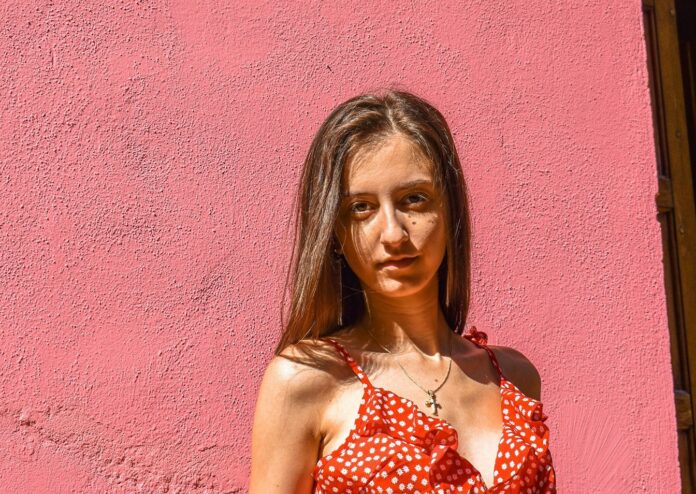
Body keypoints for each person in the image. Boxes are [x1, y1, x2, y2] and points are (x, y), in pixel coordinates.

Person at [249, 89, 556, 493]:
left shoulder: (514, 379)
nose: (393, 234)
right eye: (361, 208)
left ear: (449, 210)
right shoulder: (308, 380)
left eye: (414, 200)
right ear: (335, 232)